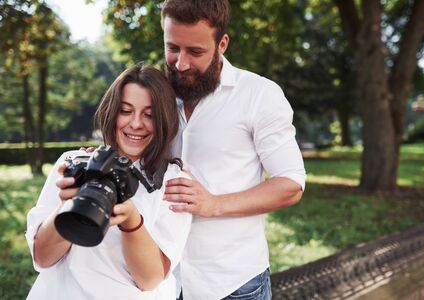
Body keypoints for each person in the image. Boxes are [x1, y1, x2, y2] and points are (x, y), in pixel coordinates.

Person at [160, 1, 307, 299]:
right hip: (161, 281)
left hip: (233, 285)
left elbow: (290, 185)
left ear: (222, 43)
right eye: (173, 48)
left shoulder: (259, 95)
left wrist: (213, 204)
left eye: (196, 52)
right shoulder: (155, 94)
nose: (181, 63)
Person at [25, 64, 192, 300]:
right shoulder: (73, 163)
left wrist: (132, 221)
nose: (136, 123)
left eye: (150, 114)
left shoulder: (173, 182)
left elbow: (149, 280)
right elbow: (42, 257)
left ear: (164, 119)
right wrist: (68, 205)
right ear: (111, 112)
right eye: (125, 110)